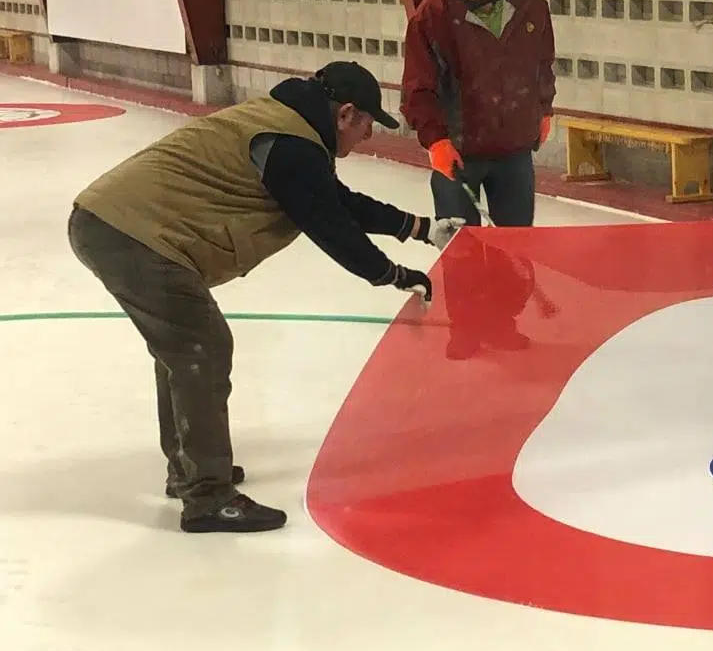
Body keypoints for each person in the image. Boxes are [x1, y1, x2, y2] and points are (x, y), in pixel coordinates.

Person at [69, 61, 451, 536]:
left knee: (183, 348)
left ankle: (191, 470)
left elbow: (335, 201)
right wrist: (392, 275)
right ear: (345, 114)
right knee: (201, 347)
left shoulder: (286, 127)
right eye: (369, 124)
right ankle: (208, 497)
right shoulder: (292, 147)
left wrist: (418, 229)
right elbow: (330, 228)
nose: (369, 136)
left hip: (115, 223)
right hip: (132, 233)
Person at [401, 0, 556, 230]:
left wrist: (543, 108)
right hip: (457, 151)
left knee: (516, 249)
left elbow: (542, 64)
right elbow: (418, 89)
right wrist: (435, 140)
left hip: (513, 150)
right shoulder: (431, 18)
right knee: (461, 250)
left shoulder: (530, 7)